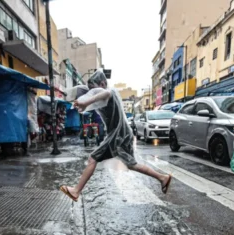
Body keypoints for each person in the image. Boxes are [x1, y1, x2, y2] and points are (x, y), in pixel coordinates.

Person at [60, 71, 172, 202]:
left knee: (92, 158)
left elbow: (106, 93)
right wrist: (81, 104)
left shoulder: (109, 92)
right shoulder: (101, 97)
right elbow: (90, 103)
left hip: (117, 135)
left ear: (103, 83)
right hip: (122, 134)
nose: (94, 91)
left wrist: (87, 102)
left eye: (96, 88)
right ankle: (162, 178)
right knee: (131, 164)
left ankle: (76, 191)